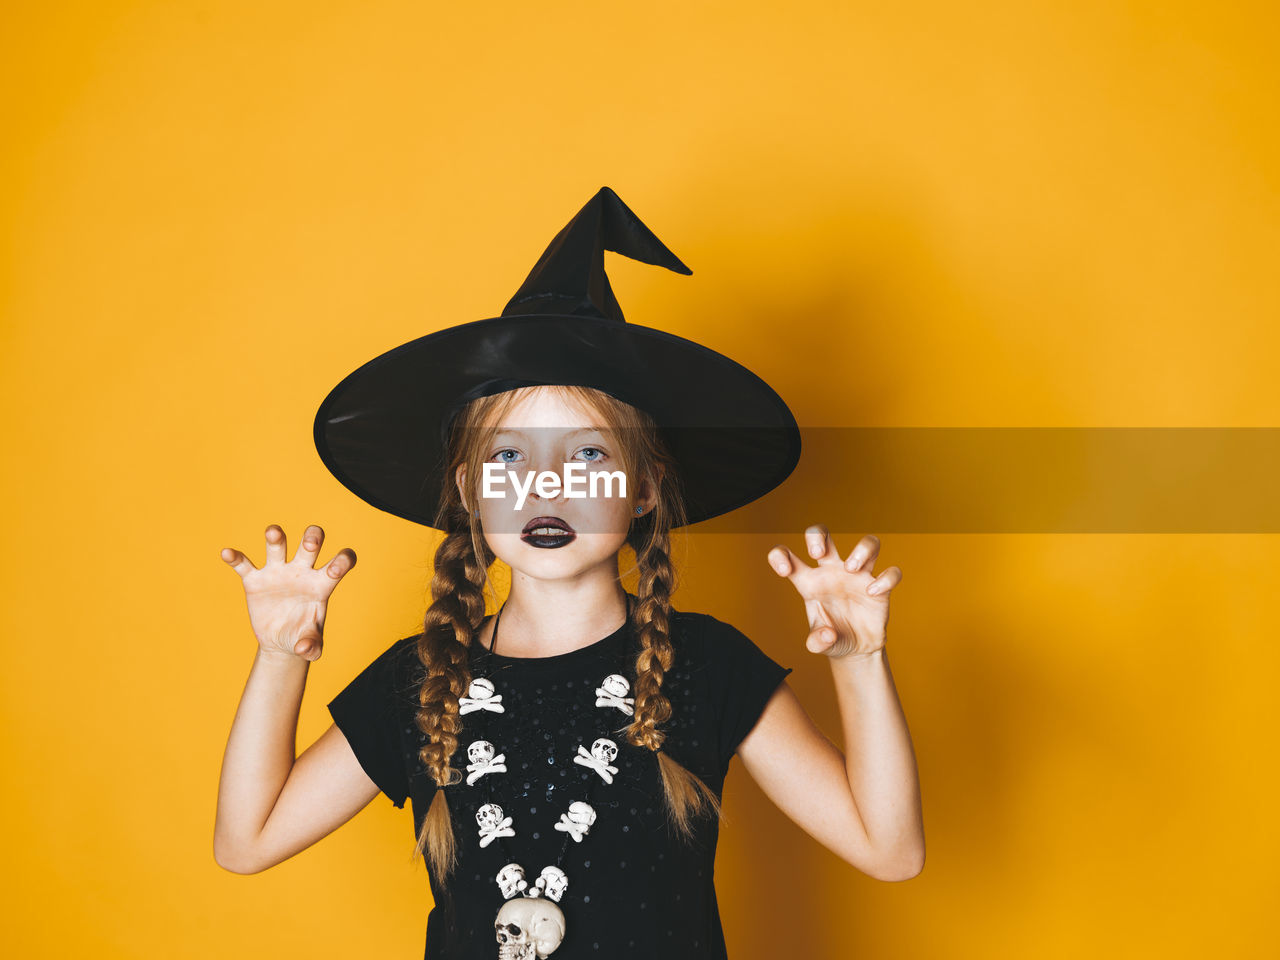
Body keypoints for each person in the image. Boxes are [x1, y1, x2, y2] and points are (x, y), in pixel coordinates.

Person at [213, 188, 924, 959]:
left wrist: (860, 662)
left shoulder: (708, 665)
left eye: (587, 454)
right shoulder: (422, 680)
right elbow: (246, 840)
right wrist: (281, 658)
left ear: (643, 487)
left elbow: (890, 851)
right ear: (468, 491)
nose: (546, 486)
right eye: (509, 456)